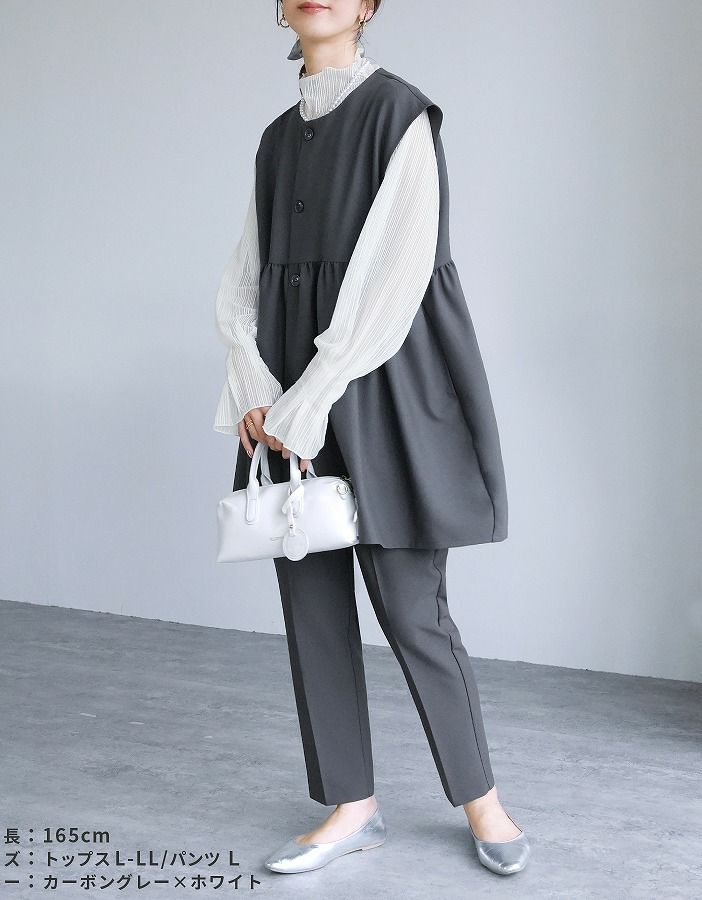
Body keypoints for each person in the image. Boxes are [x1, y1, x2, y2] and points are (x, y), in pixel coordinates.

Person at [212, 0, 530, 878]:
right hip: (288, 389)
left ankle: (483, 801)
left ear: (368, 7)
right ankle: (351, 806)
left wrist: (309, 397)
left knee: (412, 606)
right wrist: (255, 384)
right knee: (310, 598)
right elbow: (244, 277)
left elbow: (394, 278)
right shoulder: (276, 139)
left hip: (385, 382)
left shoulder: (400, 113)